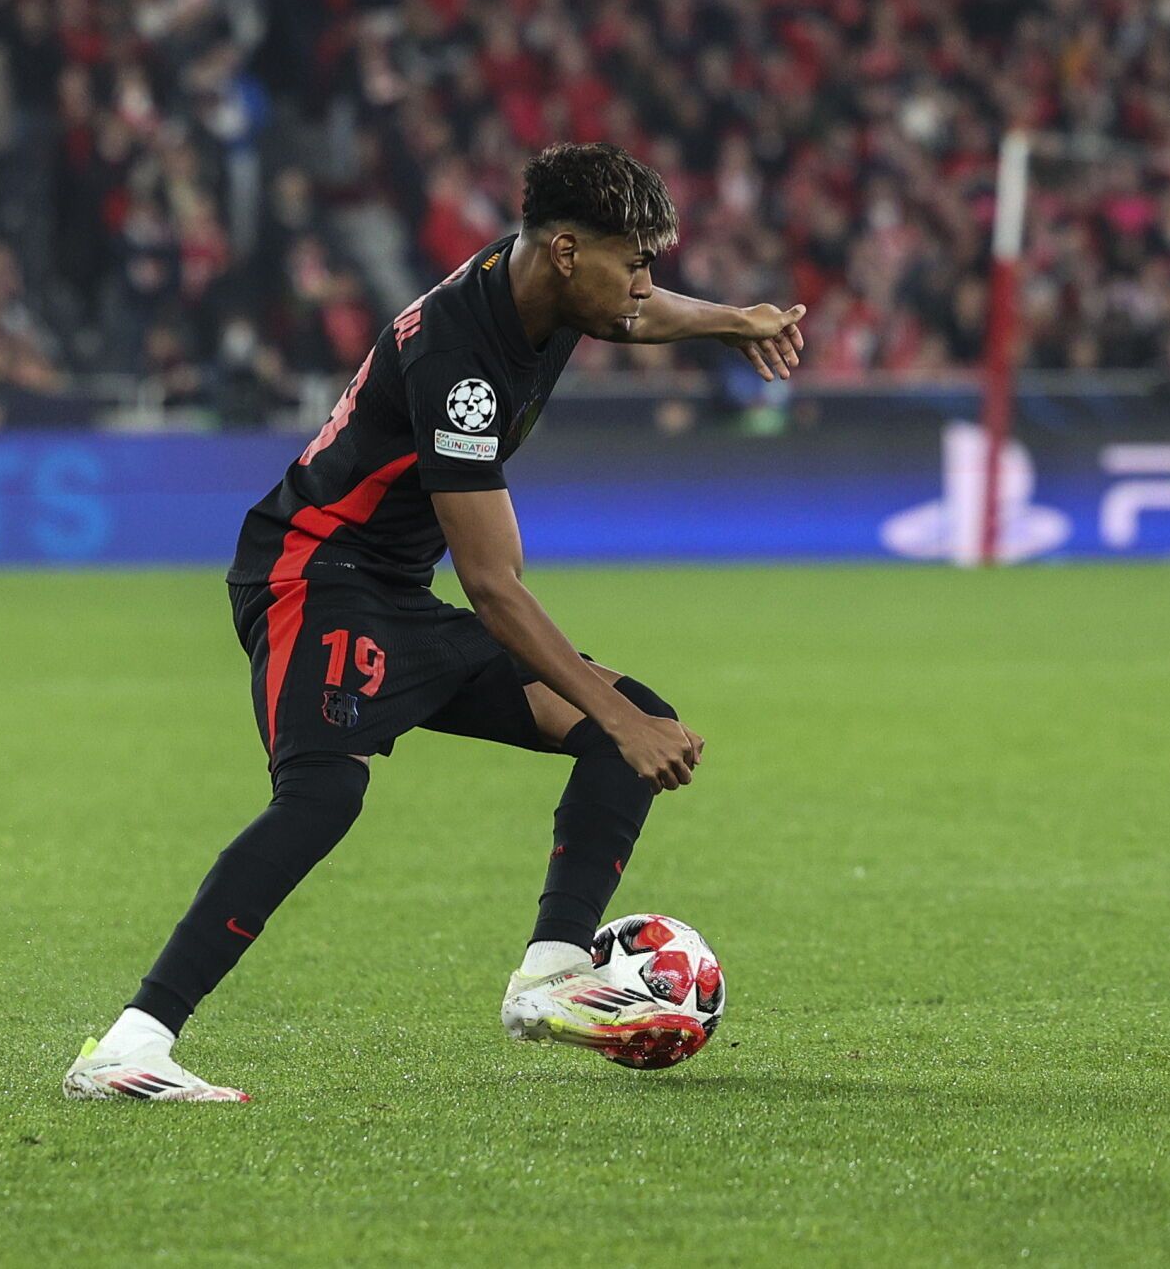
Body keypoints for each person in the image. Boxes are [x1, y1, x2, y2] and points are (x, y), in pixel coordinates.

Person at [65, 142, 808, 1100]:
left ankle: (549, 974)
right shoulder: (462, 363)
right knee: (326, 794)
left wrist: (726, 321)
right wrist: (621, 722)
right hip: (312, 571)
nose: (647, 282)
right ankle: (133, 1043)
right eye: (636, 259)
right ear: (571, 251)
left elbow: (634, 312)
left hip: (393, 589)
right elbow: (496, 587)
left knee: (627, 719)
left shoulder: (544, 283)